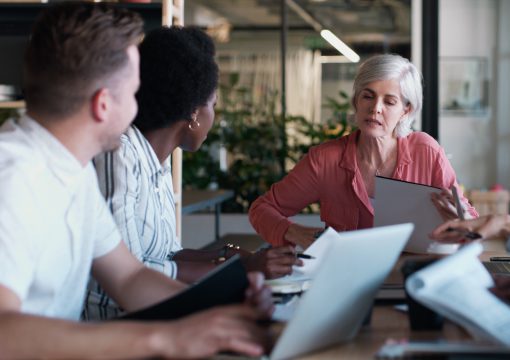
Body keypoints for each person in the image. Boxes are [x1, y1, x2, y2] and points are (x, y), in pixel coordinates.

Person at [0, 3, 272, 358]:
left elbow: (129, 277)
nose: (138, 107)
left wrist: (224, 308)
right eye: (133, 92)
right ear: (103, 105)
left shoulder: (73, 170)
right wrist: (166, 339)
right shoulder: (15, 177)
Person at [86, 25, 300, 320]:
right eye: (213, 105)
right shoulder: (119, 155)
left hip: (152, 317)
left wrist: (236, 257)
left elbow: (169, 254)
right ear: (194, 113)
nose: (215, 116)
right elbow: (129, 274)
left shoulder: (157, 164)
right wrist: (238, 271)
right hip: (116, 328)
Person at [249, 54, 477, 249]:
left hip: (412, 274)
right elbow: (262, 209)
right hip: (347, 276)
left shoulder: (426, 152)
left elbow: (473, 226)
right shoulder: (325, 160)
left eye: (389, 102)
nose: (375, 108)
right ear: (356, 100)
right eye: (368, 96)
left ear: (405, 111)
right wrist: (295, 232)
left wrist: (461, 221)